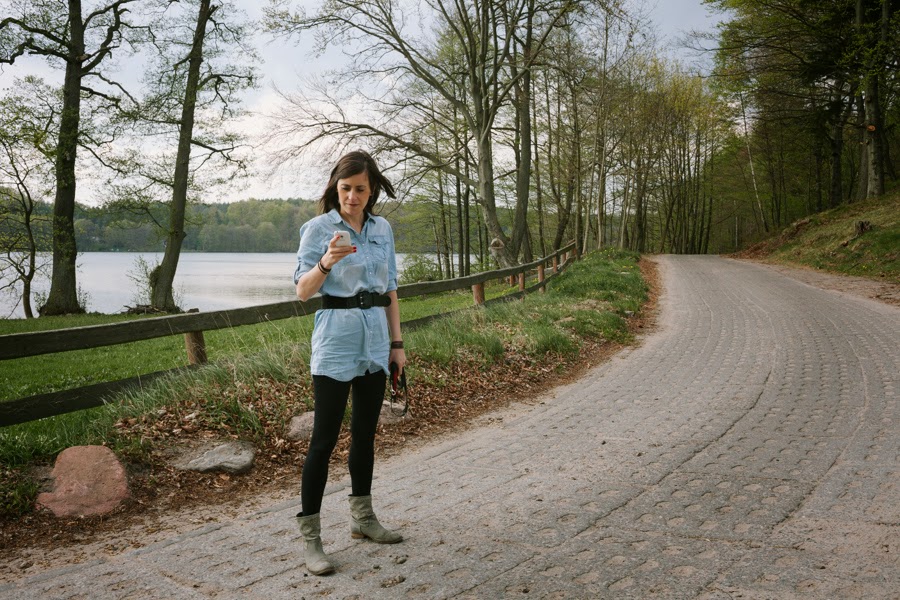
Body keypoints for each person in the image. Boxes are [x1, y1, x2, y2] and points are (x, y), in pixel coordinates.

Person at [292, 150, 406, 576]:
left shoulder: (382, 229)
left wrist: (397, 344)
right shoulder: (318, 229)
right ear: (335, 188)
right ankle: (312, 540)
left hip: (375, 341)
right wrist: (326, 262)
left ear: (371, 190)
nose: (352, 197)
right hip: (336, 341)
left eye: (360, 189)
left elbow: (390, 287)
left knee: (364, 436)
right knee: (322, 441)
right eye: (345, 188)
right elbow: (302, 291)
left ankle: (363, 519)